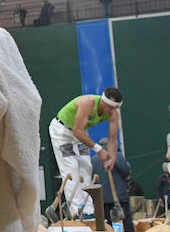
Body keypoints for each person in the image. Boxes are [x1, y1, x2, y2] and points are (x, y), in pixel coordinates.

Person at [48, 88, 124, 218]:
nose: (112, 111)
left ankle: (88, 211)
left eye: (115, 108)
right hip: (62, 132)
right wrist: (99, 149)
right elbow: (77, 131)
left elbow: (112, 139)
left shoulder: (113, 113)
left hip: (80, 135)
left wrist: (111, 159)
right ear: (103, 101)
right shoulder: (87, 103)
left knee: (86, 168)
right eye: (110, 107)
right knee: (71, 170)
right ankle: (76, 211)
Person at [90, 145, 133, 232]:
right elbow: (126, 171)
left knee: (107, 226)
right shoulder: (116, 155)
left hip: (102, 199)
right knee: (126, 224)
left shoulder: (94, 159)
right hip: (119, 196)